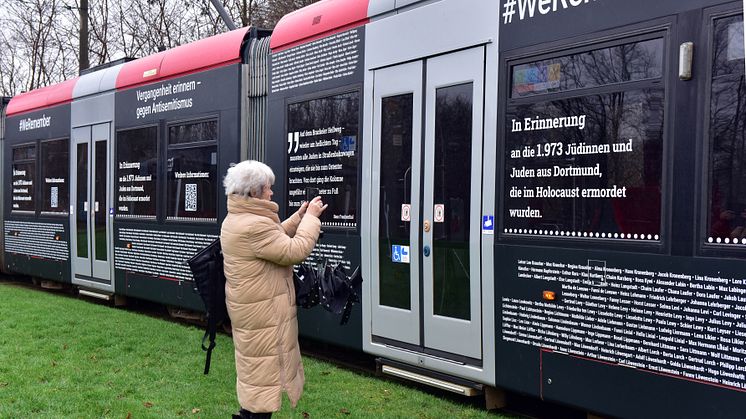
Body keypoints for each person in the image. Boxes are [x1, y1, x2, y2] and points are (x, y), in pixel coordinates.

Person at [220, 160, 327, 419]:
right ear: (254, 192)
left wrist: (297, 219)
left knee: (256, 375)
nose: (271, 193)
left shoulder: (238, 218)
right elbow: (293, 251)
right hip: (263, 315)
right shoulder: (255, 225)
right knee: (263, 380)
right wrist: (311, 219)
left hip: (252, 310)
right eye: (268, 188)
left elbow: (273, 238)